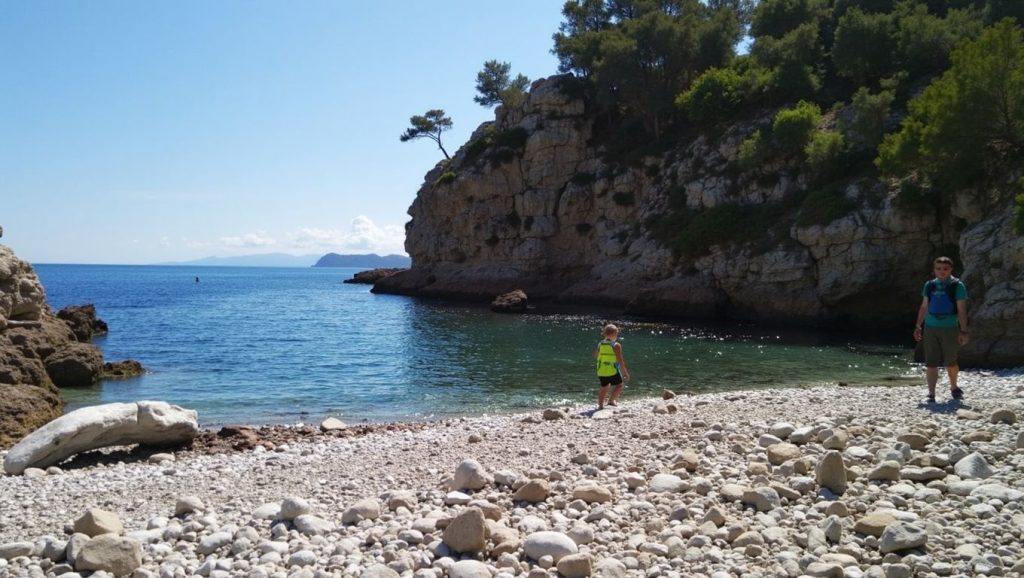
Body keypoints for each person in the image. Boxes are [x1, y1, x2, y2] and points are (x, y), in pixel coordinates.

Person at [913, 256, 969, 403]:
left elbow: (961, 309)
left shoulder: (957, 285)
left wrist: (963, 331)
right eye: (938, 268)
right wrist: (918, 326)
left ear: (951, 269)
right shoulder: (929, 285)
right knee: (931, 362)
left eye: (945, 269)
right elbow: (924, 306)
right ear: (934, 270)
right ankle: (931, 393)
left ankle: (954, 387)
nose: (941, 271)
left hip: (950, 327)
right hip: (930, 327)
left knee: (951, 361)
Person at [594, 323, 630, 410]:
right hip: (612, 369)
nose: (617, 335)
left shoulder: (600, 344)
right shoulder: (616, 345)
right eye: (616, 334)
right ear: (613, 334)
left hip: (601, 370)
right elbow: (620, 360)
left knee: (604, 386)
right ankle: (611, 400)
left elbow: (595, 356)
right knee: (620, 385)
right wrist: (625, 372)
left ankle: (600, 405)